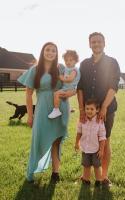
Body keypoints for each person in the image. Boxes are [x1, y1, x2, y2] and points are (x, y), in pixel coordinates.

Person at [17, 42, 75, 183]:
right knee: (38, 140)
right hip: (42, 109)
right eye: (48, 50)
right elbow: (28, 95)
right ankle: (32, 170)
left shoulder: (61, 68)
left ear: (56, 53)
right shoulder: (35, 70)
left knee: (57, 141)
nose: (50, 53)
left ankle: (55, 173)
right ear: (43, 52)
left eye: (53, 50)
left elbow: (71, 86)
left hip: (60, 108)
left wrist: (68, 95)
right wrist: (30, 115)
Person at [77, 32, 120, 186]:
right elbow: (80, 88)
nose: (96, 44)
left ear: (104, 43)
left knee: (104, 141)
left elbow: (113, 86)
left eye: (99, 41)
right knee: (87, 140)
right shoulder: (84, 64)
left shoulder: (112, 62)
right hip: (87, 112)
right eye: (93, 42)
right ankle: (86, 176)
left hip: (106, 110)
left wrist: (104, 108)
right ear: (89, 44)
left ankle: (103, 177)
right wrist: (81, 109)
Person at [75, 99, 106, 186]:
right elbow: (79, 132)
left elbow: (102, 137)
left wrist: (101, 150)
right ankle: (86, 180)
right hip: (85, 148)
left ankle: (98, 181)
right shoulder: (82, 120)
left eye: (92, 109)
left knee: (97, 166)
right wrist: (76, 143)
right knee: (86, 165)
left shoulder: (99, 122)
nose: (89, 111)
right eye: (87, 109)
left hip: (96, 149)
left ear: (97, 110)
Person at [48, 50, 80, 119]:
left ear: (76, 61)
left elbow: (69, 79)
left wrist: (60, 77)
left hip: (69, 88)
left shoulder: (74, 70)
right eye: (66, 60)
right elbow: (63, 73)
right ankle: (67, 108)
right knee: (59, 95)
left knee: (56, 94)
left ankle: (56, 110)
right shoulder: (67, 68)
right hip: (66, 88)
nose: (68, 62)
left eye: (71, 60)